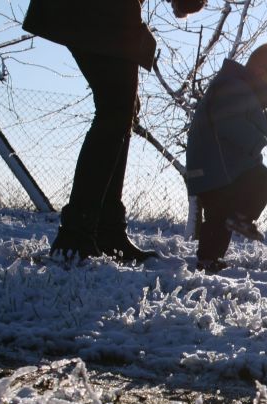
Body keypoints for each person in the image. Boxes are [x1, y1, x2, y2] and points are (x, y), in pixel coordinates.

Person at [23, 0, 206, 263]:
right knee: (116, 109)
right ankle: (77, 235)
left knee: (121, 110)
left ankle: (103, 230)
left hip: (102, 12)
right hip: (100, 10)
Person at [186, 42, 267, 273]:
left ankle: (229, 231)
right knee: (221, 211)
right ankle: (214, 250)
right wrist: (255, 142)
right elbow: (229, 121)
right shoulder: (231, 87)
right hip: (213, 168)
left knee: (224, 212)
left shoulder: (242, 90)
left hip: (223, 168)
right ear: (260, 73)